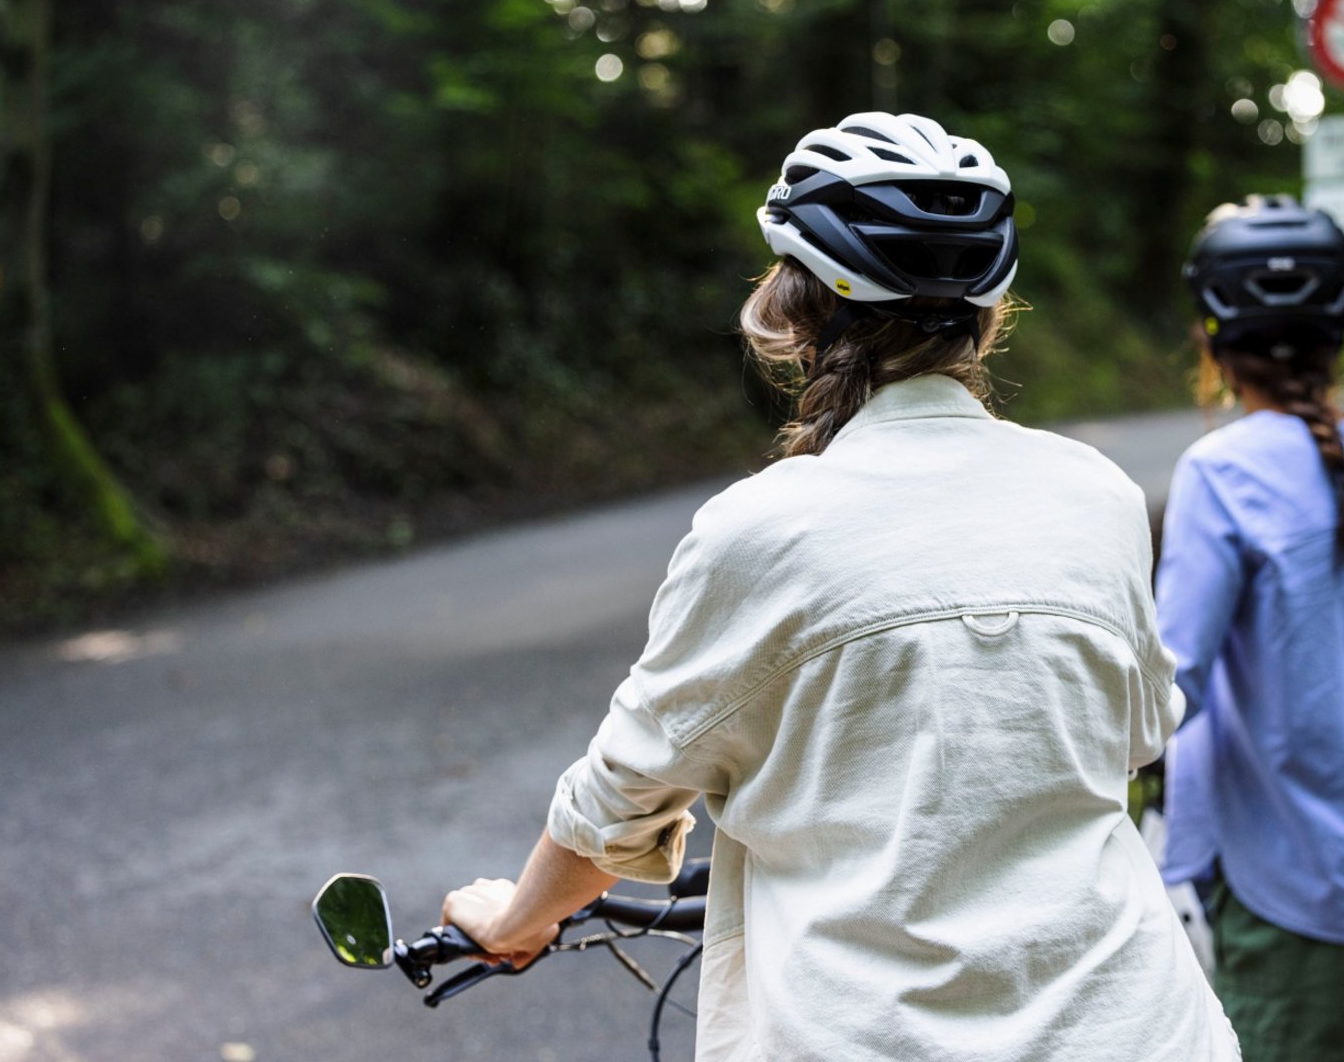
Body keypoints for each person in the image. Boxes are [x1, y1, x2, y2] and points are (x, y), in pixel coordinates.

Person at [438, 112, 1238, 1062]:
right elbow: (1142, 730)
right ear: (990, 312)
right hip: (1138, 1030)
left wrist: (520, 917)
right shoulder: (1097, 494)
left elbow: (622, 795)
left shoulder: (759, 529)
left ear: (794, 307)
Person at [1155, 196, 1344, 1062]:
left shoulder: (1220, 472)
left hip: (1287, 871)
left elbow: (1168, 682)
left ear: (1214, 337)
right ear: (1341, 329)